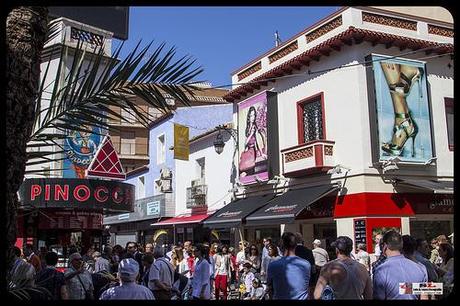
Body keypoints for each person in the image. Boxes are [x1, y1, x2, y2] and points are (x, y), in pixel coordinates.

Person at [373, 230, 428, 300]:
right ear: (401, 245)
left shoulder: (381, 271)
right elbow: (424, 297)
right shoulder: (420, 268)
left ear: (385, 246)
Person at [266, 232, 311, 300]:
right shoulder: (306, 264)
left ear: (281, 246)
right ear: (296, 245)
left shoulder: (273, 265)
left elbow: (269, 286)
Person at [239, 105, 267, 176]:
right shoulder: (248, 128)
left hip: (252, 151)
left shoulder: (254, 127)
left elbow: (257, 141)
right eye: (251, 115)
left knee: (249, 169)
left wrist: (261, 153)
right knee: (246, 171)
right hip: (248, 151)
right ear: (249, 117)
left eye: (254, 115)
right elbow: (245, 143)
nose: (253, 118)